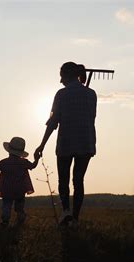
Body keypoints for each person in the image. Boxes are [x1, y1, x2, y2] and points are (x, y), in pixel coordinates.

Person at [35, 62, 97, 226]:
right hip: (86, 141)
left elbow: (53, 122)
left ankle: (66, 213)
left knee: (64, 180)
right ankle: (75, 218)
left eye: (61, 76)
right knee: (79, 181)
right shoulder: (91, 94)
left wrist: (41, 145)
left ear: (67, 76)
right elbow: (91, 117)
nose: (60, 80)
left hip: (66, 143)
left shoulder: (61, 94)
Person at [0, 137, 39, 228]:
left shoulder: (4, 162)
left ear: (9, 150)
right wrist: (36, 158)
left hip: (7, 189)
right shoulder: (24, 162)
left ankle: (5, 222)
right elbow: (33, 166)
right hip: (20, 190)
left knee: (6, 205)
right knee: (19, 207)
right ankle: (21, 219)